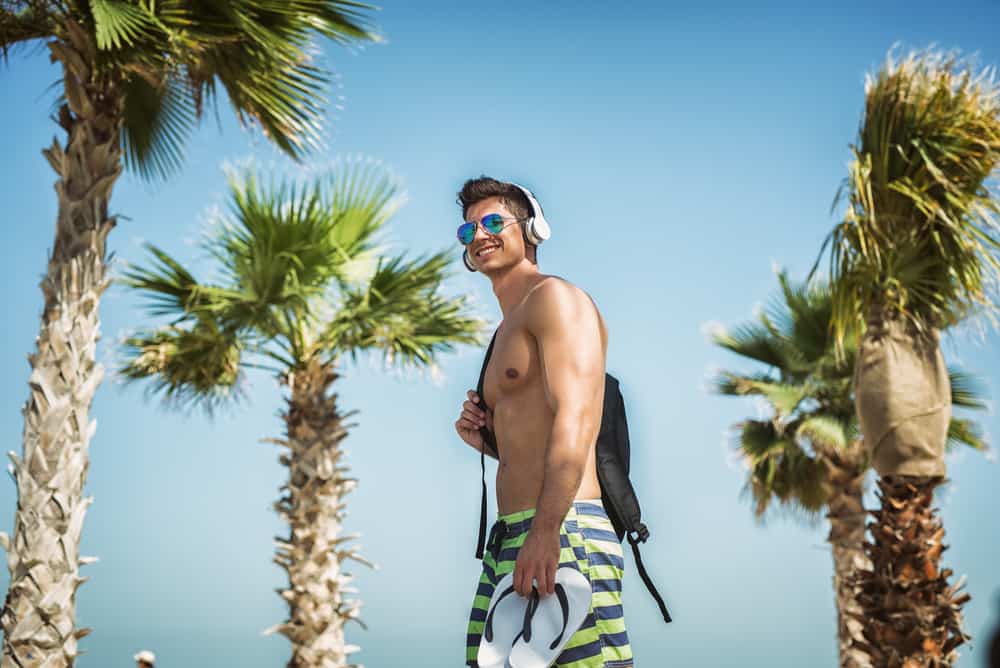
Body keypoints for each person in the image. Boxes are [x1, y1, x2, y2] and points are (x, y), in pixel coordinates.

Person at [454, 177, 633, 667]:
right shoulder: (505, 328)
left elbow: (578, 419)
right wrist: (485, 440)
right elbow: (534, 436)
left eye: (493, 222)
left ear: (532, 229)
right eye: (468, 230)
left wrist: (546, 530)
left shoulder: (556, 300)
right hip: (509, 534)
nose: (480, 235)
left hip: (562, 528)